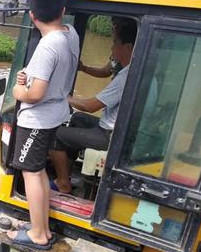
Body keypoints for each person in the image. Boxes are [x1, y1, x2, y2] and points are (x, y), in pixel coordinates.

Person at [6, 0, 79, 250]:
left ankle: (38, 234)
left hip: (36, 118)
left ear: (32, 15)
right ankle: (42, 228)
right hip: (56, 113)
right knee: (37, 172)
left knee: (31, 174)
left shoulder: (47, 46)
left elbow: (35, 94)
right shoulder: (70, 34)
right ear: (62, 10)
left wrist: (17, 89)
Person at [48, 18, 138, 194]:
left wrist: (61, 97)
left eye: (114, 43)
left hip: (111, 136)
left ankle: (62, 183)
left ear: (128, 48)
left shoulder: (127, 76)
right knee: (77, 119)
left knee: (53, 134)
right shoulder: (127, 67)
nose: (111, 48)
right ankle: (66, 173)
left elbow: (90, 106)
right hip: (114, 128)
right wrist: (82, 68)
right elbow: (106, 70)